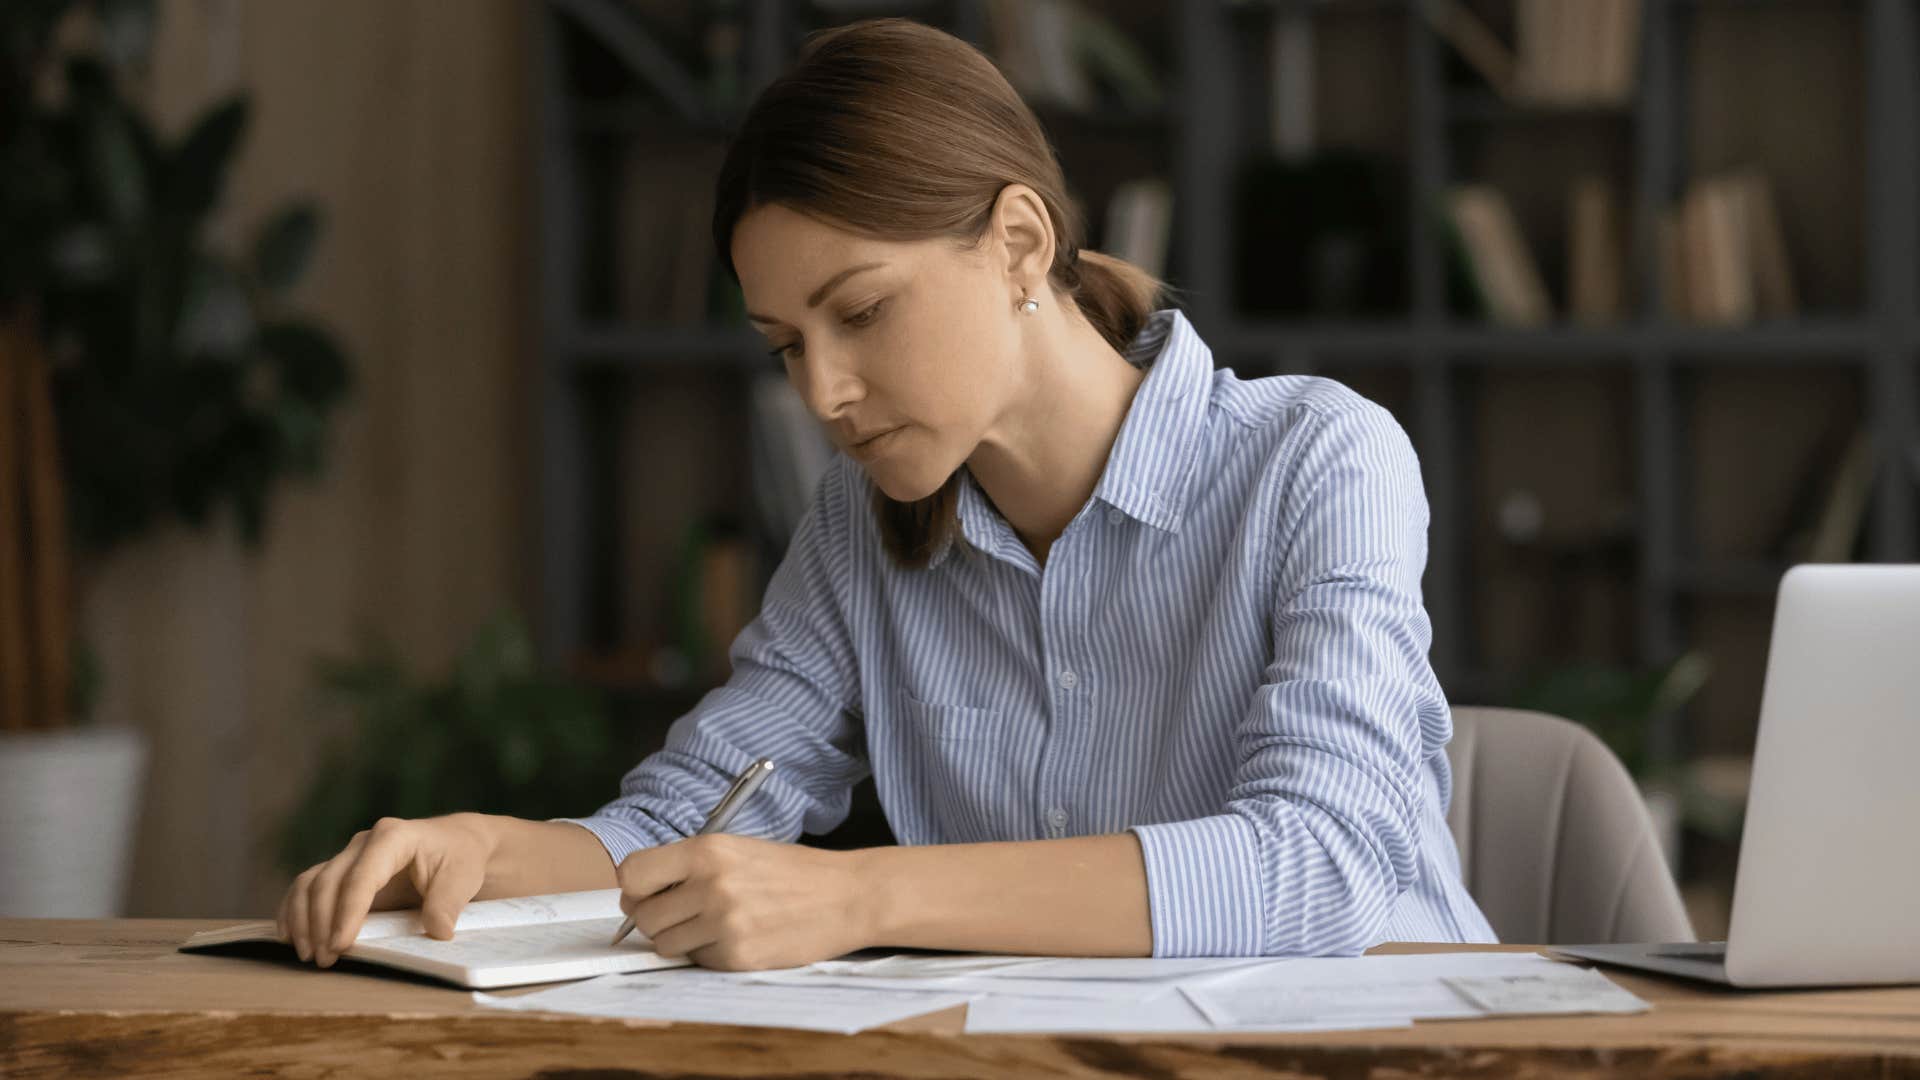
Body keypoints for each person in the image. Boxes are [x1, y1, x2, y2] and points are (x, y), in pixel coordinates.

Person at [276, 16, 1497, 973]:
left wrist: (863, 896)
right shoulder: (856, 532)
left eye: (859, 313)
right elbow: (704, 820)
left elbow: (1321, 865)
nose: (823, 392)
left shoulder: (1321, 457)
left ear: (1020, 244)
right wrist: (486, 849)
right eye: (785, 345)